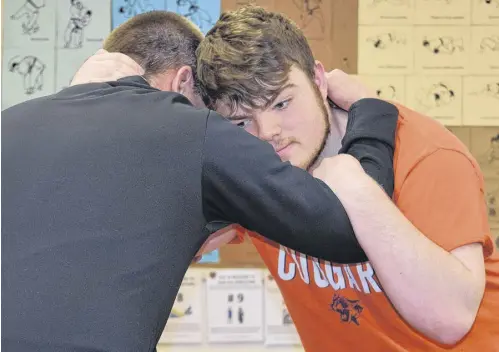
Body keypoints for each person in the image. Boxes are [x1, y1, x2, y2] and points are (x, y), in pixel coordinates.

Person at [1, 11, 399, 352]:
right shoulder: (188, 129)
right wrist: (372, 112)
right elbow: (349, 229)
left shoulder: (10, 123)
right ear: (183, 82)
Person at [194, 6, 499, 351]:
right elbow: (161, 238)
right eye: (241, 122)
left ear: (319, 80)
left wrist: (355, 189)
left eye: (281, 103)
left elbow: (450, 318)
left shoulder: (428, 155)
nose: (268, 133)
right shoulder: (252, 167)